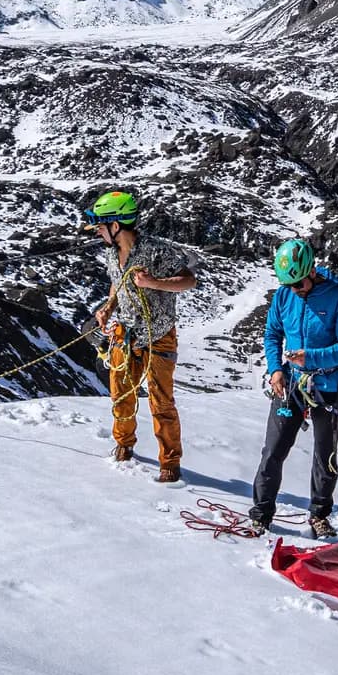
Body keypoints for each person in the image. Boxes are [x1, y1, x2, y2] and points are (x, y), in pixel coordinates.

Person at [248, 238, 338, 538]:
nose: (295, 289)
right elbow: (272, 333)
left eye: (299, 283)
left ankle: (319, 514)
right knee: (272, 450)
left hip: (326, 385)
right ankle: (261, 513)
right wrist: (275, 370)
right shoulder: (285, 296)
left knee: (325, 455)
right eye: (290, 284)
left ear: (312, 270)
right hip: (290, 384)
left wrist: (312, 357)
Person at [83, 190, 196, 482]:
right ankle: (123, 444)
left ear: (116, 225)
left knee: (161, 402)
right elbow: (117, 284)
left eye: (100, 225)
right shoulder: (110, 253)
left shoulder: (156, 251)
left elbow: (188, 280)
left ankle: (170, 463)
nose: (97, 231)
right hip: (126, 332)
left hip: (158, 336)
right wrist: (108, 307)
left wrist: (153, 282)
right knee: (121, 393)